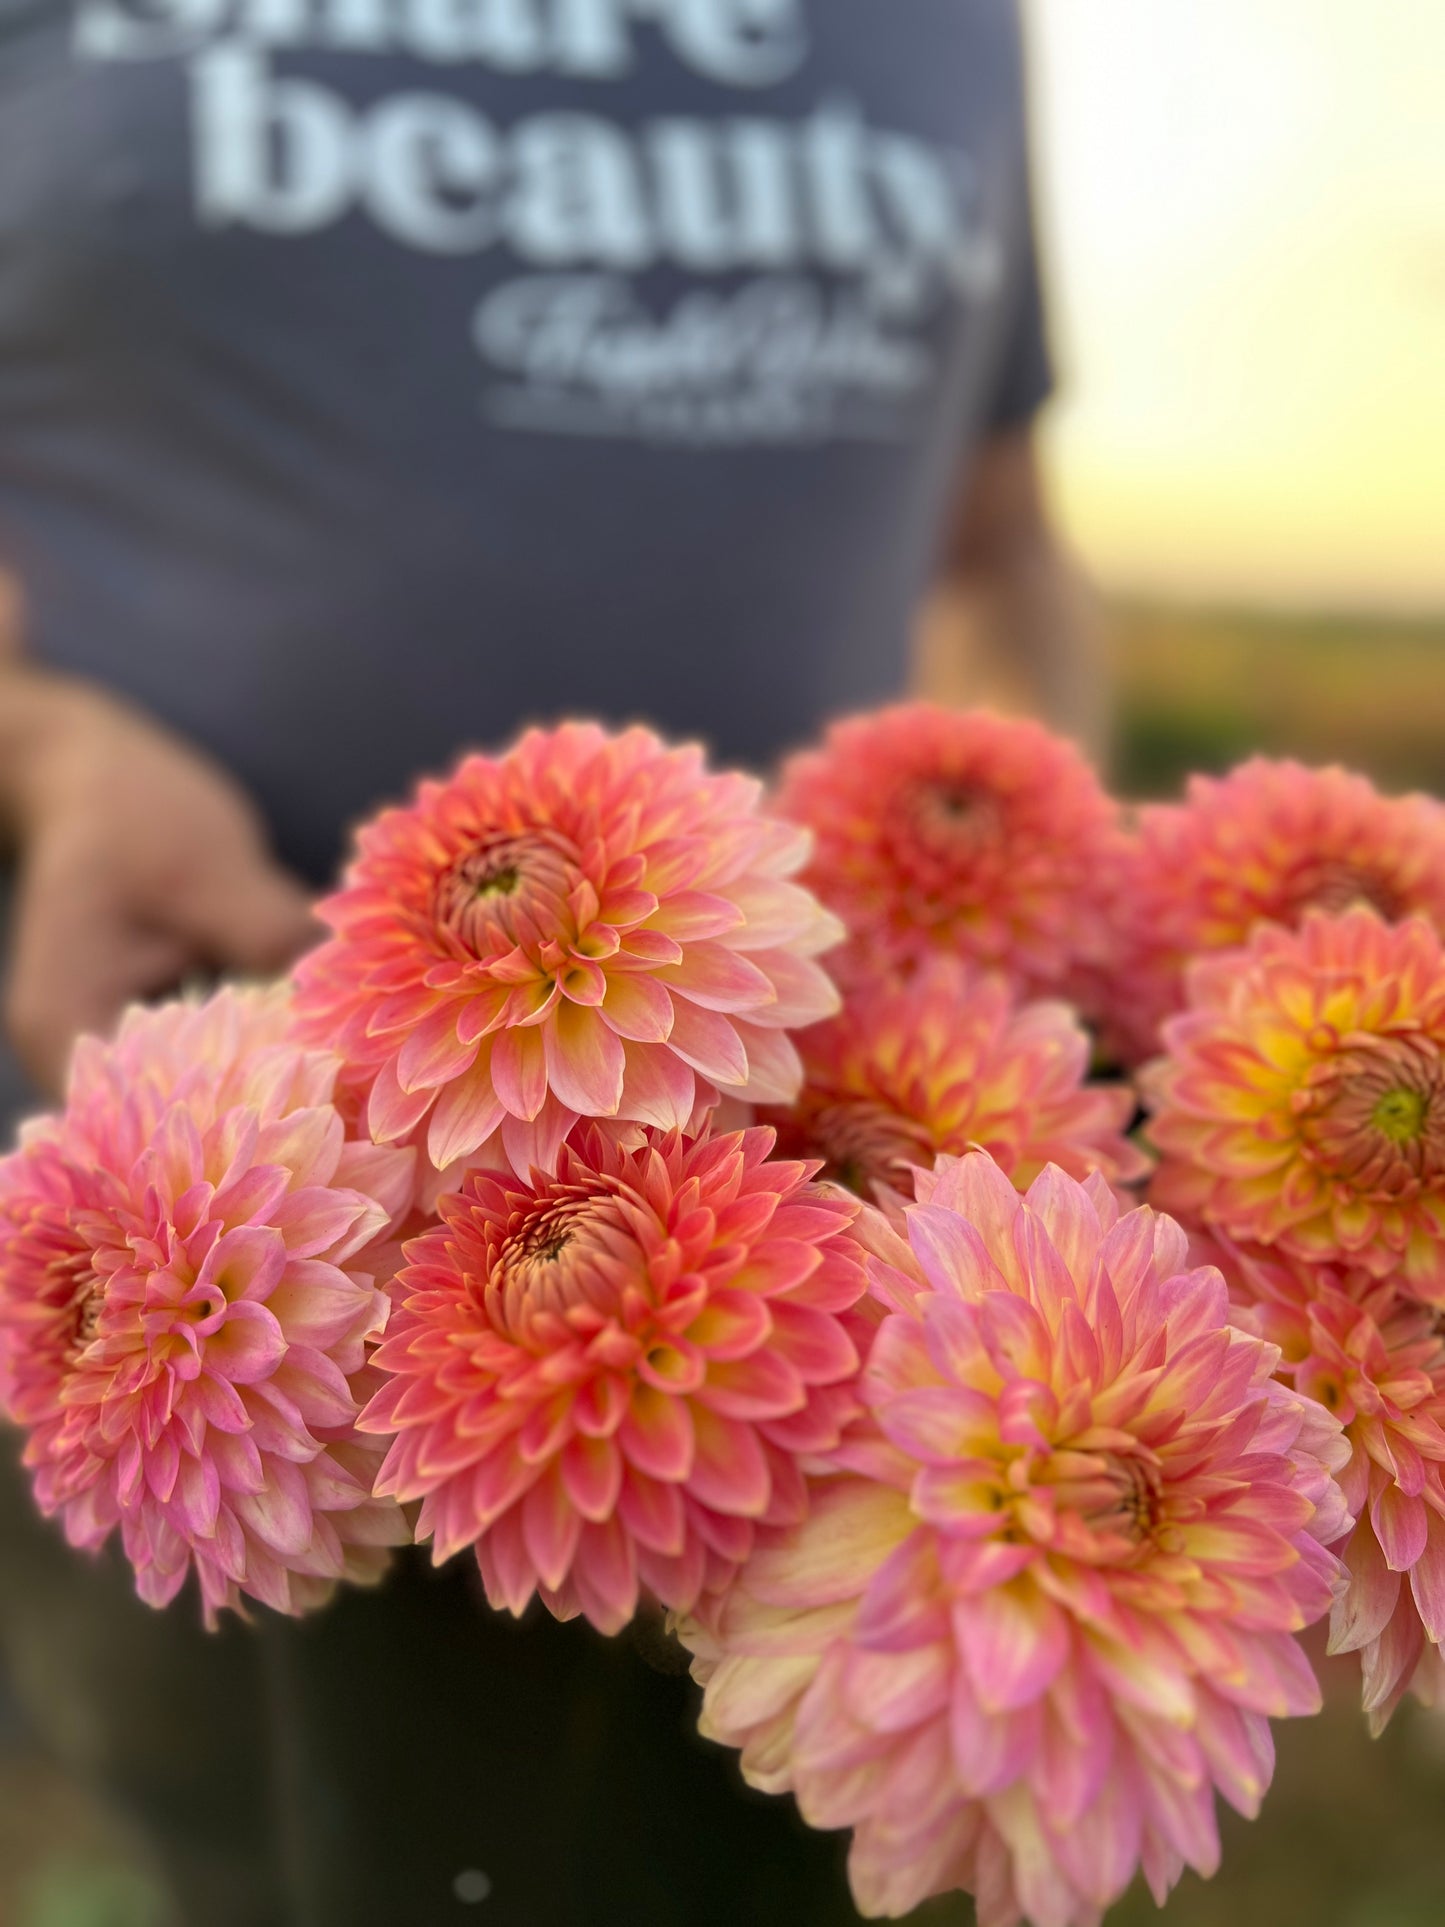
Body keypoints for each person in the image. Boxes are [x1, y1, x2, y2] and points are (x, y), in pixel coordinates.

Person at [0, 3, 1097, 1921]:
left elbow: (995, 538)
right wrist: (48, 746)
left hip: (845, 1330)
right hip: (166, 1250)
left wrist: (1065, 897)